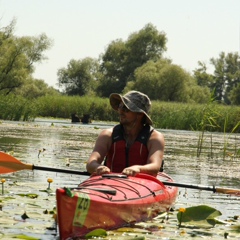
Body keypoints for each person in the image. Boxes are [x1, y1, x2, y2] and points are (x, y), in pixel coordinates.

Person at [86, 91, 165, 177]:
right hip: (110, 181)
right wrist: (98, 167)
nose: (120, 111)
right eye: (120, 106)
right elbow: (91, 163)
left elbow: (155, 166)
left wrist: (138, 169)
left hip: (141, 184)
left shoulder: (155, 138)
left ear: (140, 114)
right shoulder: (107, 135)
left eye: (126, 109)